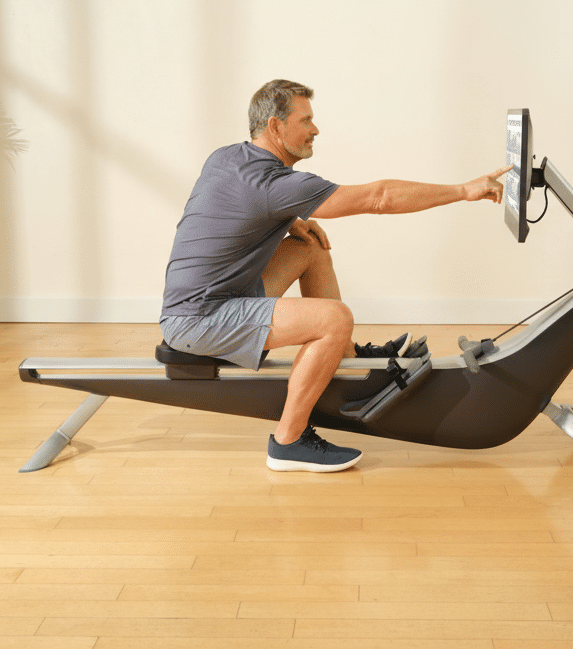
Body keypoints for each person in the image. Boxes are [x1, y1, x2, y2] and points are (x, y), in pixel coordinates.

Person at [160, 79, 509, 473]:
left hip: (216, 298)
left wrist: (293, 223)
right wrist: (464, 190)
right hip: (199, 319)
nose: (315, 129)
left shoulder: (226, 158)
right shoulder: (277, 184)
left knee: (311, 248)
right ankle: (288, 441)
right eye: (305, 120)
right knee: (333, 319)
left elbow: (234, 203)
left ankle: (348, 358)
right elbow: (379, 198)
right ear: (276, 127)